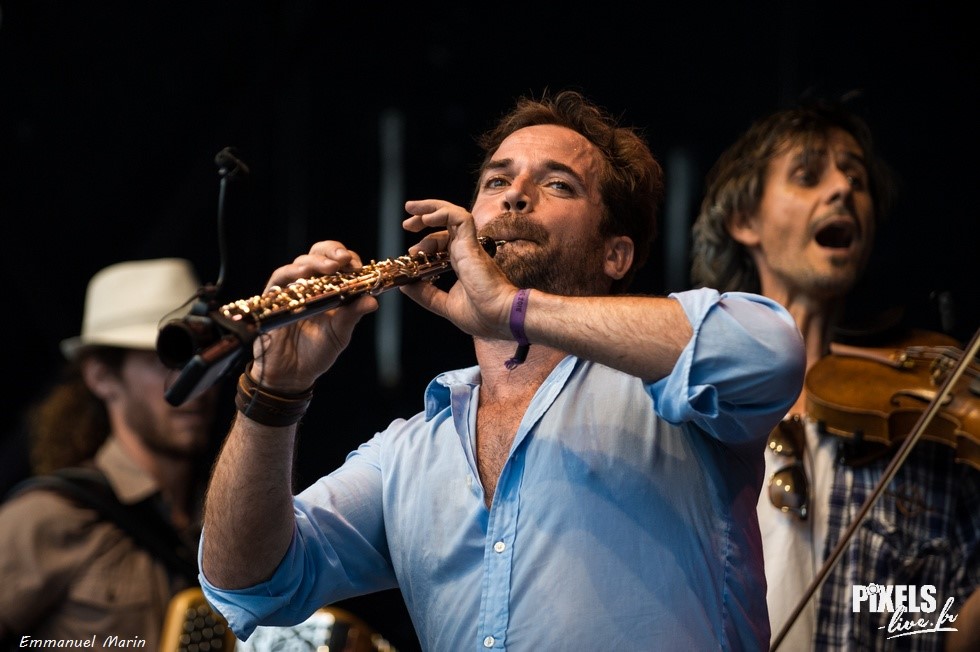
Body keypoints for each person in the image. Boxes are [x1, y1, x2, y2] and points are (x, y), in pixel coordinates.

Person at [198, 89, 806, 650]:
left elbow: (768, 353)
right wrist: (273, 393)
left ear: (616, 254)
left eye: (558, 184)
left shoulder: (666, 394)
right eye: (496, 181)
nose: (515, 196)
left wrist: (513, 309)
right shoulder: (410, 452)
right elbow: (248, 583)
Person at [690, 100, 980, 651]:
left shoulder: (922, 428)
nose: (843, 188)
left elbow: (940, 629)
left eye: (856, 178)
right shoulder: (694, 412)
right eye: (808, 176)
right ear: (744, 221)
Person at [0, 258, 222, 649]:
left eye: (205, 358)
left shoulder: (229, 517)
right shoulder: (47, 518)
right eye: (167, 360)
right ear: (101, 377)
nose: (195, 381)